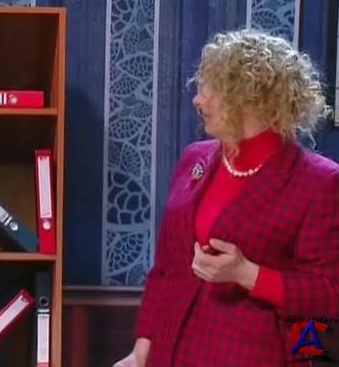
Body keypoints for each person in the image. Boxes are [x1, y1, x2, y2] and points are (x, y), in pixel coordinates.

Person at [114, 29, 339, 366]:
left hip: (251, 355)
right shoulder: (194, 159)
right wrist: (141, 352)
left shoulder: (319, 181)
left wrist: (246, 274)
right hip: (171, 353)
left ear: (251, 99)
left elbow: (329, 294)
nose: (198, 100)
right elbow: (166, 270)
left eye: (212, 88)